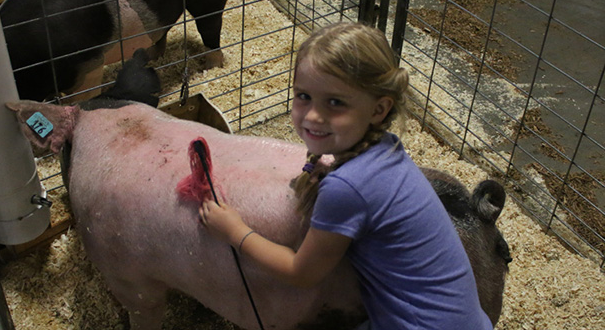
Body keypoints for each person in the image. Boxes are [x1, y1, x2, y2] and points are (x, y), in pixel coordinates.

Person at [198, 21, 492, 329]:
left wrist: (234, 232)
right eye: (303, 96)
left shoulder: (347, 188)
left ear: (379, 109)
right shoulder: (387, 148)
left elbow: (301, 273)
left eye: (335, 102)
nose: (312, 114)